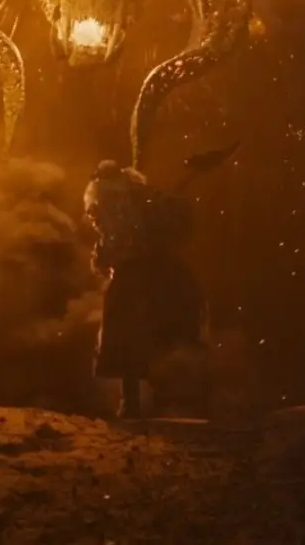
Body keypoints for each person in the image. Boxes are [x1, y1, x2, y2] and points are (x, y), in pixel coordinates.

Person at [84, 160, 204, 418]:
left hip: (130, 276)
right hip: (157, 272)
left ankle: (133, 403)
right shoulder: (142, 198)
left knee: (127, 339)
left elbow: (111, 243)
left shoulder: (110, 201)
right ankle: (157, 401)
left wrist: (105, 259)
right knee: (154, 337)